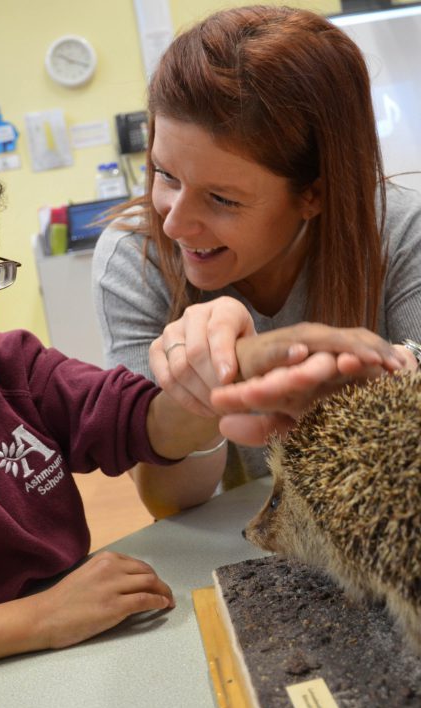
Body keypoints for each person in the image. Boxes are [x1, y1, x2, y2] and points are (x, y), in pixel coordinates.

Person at [0, 118, 376, 706]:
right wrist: (37, 619)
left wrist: (227, 378)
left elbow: (141, 421)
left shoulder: (6, 365)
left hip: (65, 655)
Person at [93, 4, 421, 514]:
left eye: (222, 199)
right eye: (166, 175)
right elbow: (169, 499)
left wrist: (372, 372)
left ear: (314, 193)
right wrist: (209, 381)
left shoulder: (401, 233)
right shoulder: (133, 260)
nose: (175, 224)